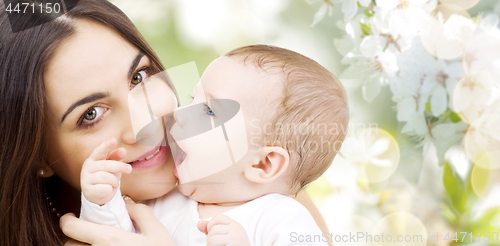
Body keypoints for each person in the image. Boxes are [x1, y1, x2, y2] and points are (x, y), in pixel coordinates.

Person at [0, 1, 331, 245]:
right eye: (91, 114)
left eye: (139, 77)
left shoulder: (263, 193)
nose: (145, 123)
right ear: (37, 155)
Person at [79, 45, 349, 245]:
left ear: (262, 164)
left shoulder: (281, 219)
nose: (180, 112)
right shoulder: (166, 201)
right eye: (191, 98)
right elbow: (112, 238)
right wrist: (102, 201)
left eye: (209, 111)